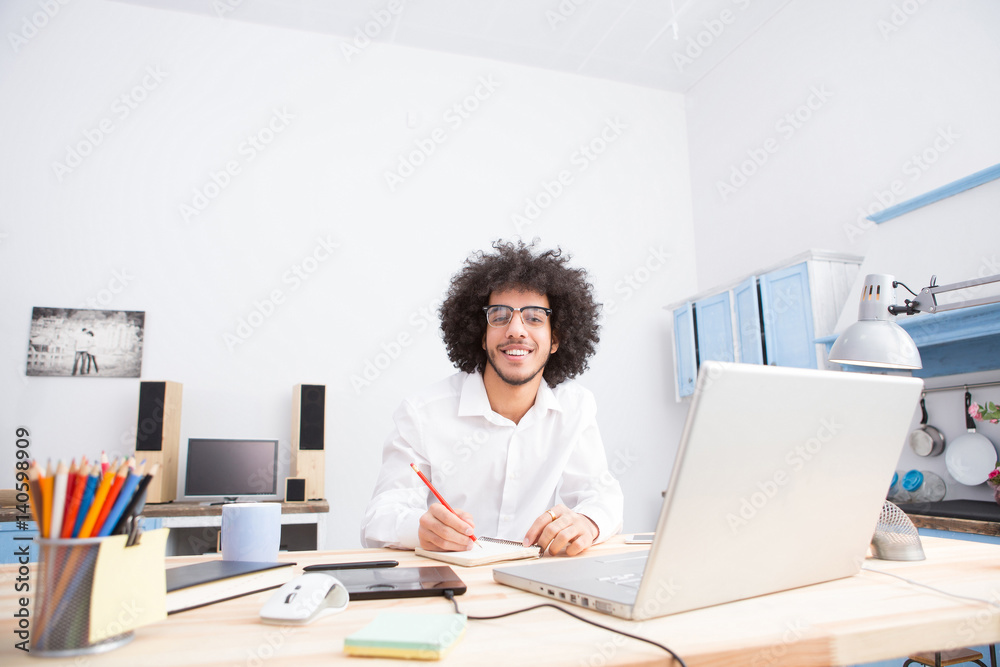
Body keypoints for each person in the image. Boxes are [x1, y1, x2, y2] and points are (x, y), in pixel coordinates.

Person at [361, 240, 623, 556]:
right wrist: (419, 528)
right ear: (481, 336)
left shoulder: (575, 408)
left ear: (555, 339)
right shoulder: (422, 414)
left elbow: (601, 495)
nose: (516, 329)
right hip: (448, 582)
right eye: (499, 316)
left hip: (533, 583)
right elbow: (378, 519)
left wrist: (586, 522)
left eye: (535, 318)